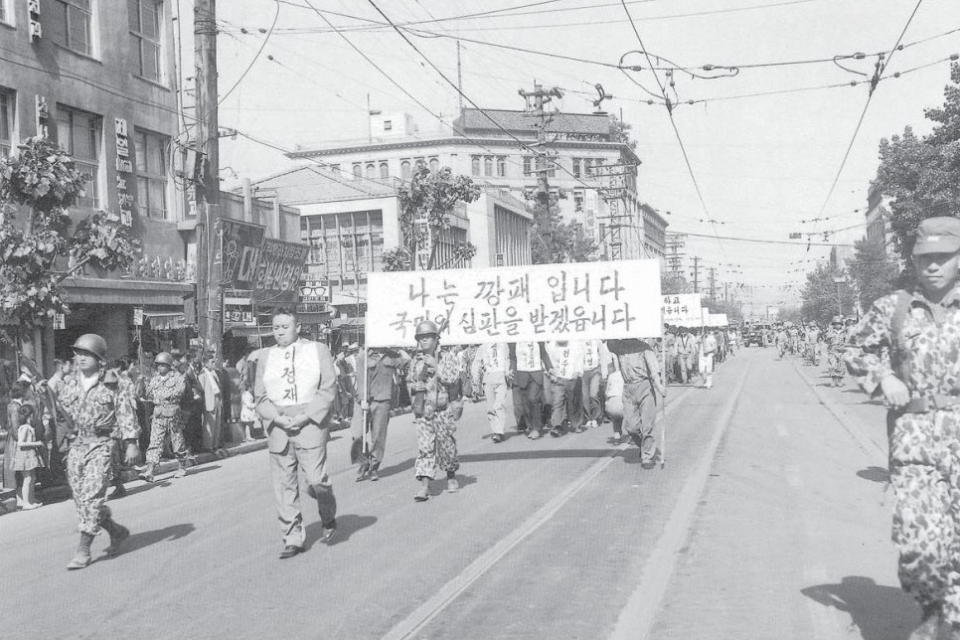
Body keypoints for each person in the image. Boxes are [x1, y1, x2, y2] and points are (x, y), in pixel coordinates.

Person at [844, 216, 960, 640]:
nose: (933, 267)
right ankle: (933, 604)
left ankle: (951, 619)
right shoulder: (893, 307)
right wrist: (883, 377)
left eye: (943, 258)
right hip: (914, 439)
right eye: (924, 258)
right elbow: (855, 349)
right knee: (918, 543)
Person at [254, 308, 338, 559]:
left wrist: (305, 416)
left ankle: (328, 515)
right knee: (284, 485)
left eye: (285, 327)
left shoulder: (317, 350)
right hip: (279, 426)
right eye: (276, 327)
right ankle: (292, 537)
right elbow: (260, 396)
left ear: (298, 327)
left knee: (316, 480)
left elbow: (328, 388)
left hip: (310, 423)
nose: (280, 332)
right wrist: (277, 418)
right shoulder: (265, 356)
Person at [58, 334, 135, 570]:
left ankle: (83, 550)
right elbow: (62, 413)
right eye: (77, 353)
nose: (79, 358)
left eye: (86, 354)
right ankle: (117, 531)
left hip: (102, 444)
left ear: (99, 358)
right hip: (76, 446)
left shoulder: (113, 381)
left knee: (92, 496)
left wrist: (131, 441)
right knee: (81, 499)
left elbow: (125, 411)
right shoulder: (69, 382)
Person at [408, 320, 464, 502]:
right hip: (424, 410)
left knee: (447, 447)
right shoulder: (416, 360)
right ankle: (425, 485)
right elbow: (409, 381)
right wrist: (415, 385)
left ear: (435, 338)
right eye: (421, 338)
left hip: (442, 409)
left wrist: (436, 366)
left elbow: (453, 378)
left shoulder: (446, 357)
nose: (423, 341)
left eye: (427, 337)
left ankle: (451, 476)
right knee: (425, 448)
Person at [352, 346, 410, 481]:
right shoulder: (363, 356)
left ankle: (373, 466)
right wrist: (362, 399)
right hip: (363, 400)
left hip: (382, 400)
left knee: (378, 437)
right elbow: (360, 378)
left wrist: (400, 347)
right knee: (357, 434)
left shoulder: (391, 356)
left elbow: (407, 362)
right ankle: (362, 462)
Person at [607, 338, 666, 468]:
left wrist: (659, 386)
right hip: (628, 388)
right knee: (631, 427)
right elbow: (609, 344)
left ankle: (647, 456)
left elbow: (654, 369)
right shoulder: (619, 347)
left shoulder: (644, 348)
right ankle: (644, 446)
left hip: (645, 386)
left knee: (647, 425)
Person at [139, 351, 189, 483]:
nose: (160, 367)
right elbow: (149, 395)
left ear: (169, 365)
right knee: (155, 441)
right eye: (158, 365)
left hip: (173, 413)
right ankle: (150, 469)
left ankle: (182, 464)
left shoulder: (177, 377)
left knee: (177, 441)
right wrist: (145, 385)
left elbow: (180, 391)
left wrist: (167, 395)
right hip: (158, 413)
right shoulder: (154, 379)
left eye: (163, 365)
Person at [9, 379, 43, 509]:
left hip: (22, 443)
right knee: (25, 475)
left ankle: (27, 499)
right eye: (28, 390)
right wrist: (26, 441)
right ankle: (23, 500)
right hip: (20, 444)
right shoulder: (15, 407)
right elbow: (16, 429)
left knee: (28, 476)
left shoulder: (19, 405)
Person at [471, 342, 511, 443]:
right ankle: (495, 430)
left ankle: (499, 431)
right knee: (490, 407)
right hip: (488, 377)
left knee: (500, 404)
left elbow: (507, 359)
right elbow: (476, 363)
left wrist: (507, 372)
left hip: (501, 377)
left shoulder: (503, 344)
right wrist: (475, 379)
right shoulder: (483, 346)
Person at [544, 340, 584, 436]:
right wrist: (550, 373)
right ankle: (557, 425)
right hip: (558, 378)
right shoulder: (551, 346)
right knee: (557, 401)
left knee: (573, 402)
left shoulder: (575, 344)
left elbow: (579, 358)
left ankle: (576, 423)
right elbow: (547, 360)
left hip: (572, 377)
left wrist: (577, 371)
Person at [510, 341, 547, 440]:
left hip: (536, 374)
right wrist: (511, 370)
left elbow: (543, 354)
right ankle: (530, 426)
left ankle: (536, 428)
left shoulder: (538, 338)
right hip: (522, 375)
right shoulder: (514, 341)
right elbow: (513, 357)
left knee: (533, 398)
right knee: (525, 403)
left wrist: (550, 367)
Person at [579, 339, 608, 430]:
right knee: (585, 396)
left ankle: (595, 417)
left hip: (595, 370)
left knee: (593, 394)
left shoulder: (597, 340)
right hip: (583, 371)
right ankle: (588, 417)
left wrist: (604, 373)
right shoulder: (580, 340)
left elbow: (603, 356)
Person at [199, 353, 223, 454]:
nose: (214, 364)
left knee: (217, 423)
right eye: (211, 362)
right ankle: (207, 445)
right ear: (205, 363)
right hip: (209, 401)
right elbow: (201, 390)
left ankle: (215, 444)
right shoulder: (202, 375)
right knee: (210, 424)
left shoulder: (213, 373)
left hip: (217, 398)